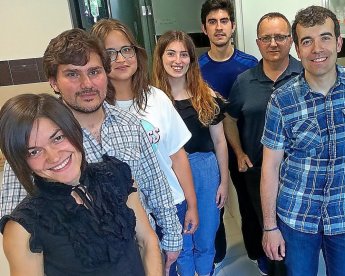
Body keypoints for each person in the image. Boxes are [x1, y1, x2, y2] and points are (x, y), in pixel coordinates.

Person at [0, 28, 183, 266]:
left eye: (94, 72)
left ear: (106, 74)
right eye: (73, 75)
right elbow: (17, 223)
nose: (87, 84)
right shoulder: (40, 140)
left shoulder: (131, 125)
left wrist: (171, 240)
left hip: (139, 253)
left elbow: (156, 188)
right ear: (54, 82)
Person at [260, 6, 345, 276]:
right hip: (296, 217)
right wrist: (270, 227)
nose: (317, 48)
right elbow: (269, 168)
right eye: (307, 41)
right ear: (298, 48)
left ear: (339, 42)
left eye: (325, 37)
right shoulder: (282, 100)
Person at [0, 93, 162, 275]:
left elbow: (147, 241)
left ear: (73, 130)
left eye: (58, 138)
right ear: (22, 161)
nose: (54, 157)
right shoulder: (23, 228)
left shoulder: (115, 175)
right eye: (35, 151)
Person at [90, 18, 198, 276]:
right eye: (110, 52)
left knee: (171, 266)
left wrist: (191, 204)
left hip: (170, 204)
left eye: (127, 49)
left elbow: (177, 156)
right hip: (125, 216)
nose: (121, 58)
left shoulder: (156, 98)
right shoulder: (95, 108)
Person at [224, 12, 302, 275]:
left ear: (290, 40)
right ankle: (267, 265)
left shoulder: (305, 75)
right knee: (262, 226)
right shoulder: (244, 81)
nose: (273, 43)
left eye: (280, 37)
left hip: (298, 174)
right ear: (257, 43)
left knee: (295, 236)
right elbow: (229, 118)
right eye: (266, 38)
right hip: (258, 172)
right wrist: (239, 151)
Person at [152, 30, 229, 276]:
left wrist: (224, 183)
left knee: (206, 237)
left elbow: (220, 142)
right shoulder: (151, 101)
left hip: (206, 171)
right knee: (179, 240)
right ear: (160, 58)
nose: (178, 60)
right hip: (170, 177)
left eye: (184, 54)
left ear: (191, 60)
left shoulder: (207, 97)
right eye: (171, 54)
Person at [199, 0, 258, 269]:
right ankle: (217, 258)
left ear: (233, 27)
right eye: (213, 22)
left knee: (250, 206)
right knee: (214, 209)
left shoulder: (249, 64)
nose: (219, 27)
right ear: (204, 28)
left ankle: (259, 257)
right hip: (212, 153)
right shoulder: (196, 70)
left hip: (246, 151)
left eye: (224, 21)